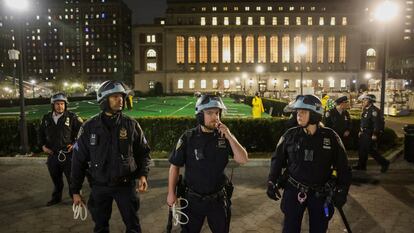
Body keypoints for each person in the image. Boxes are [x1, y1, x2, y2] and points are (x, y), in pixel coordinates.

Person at [71, 80, 151, 232]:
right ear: (103, 100)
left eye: (121, 96)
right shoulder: (89, 127)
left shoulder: (131, 124)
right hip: (100, 186)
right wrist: (75, 191)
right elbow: (78, 161)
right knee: (100, 226)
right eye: (114, 96)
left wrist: (143, 175)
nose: (120, 100)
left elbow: (144, 153)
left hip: (126, 186)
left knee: (133, 226)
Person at [267, 94, 351, 233]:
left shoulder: (331, 137)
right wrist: (271, 181)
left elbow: (343, 167)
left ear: (314, 114)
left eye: (303, 112)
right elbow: (277, 160)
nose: (298, 115)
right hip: (294, 191)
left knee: (319, 229)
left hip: (321, 194)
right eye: (298, 112)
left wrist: (342, 190)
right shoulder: (290, 135)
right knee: (289, 229)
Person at [167, 94, 248, 233]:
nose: (215, 117)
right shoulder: (188, 137)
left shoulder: (224, 137)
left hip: (218, 200)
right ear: (199, 115)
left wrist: (229, 135)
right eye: (209, 113)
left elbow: (243, 159)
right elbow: (175, 166)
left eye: (217, 113)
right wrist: (171, 193)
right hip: (193, 200)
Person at [38, 92, 83, 206]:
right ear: (53, 105)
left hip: (68, 155)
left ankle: (75, 198)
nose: (60, 106)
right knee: (56, 180)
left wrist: (75, 145)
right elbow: (40, 134)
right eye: (57, 104)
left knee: (72, 179)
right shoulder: (46, 118)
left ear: (65, 105)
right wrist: (43, 146)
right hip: (53, 155)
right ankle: (56, 198)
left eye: (62, 104)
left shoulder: (72, 117)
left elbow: (82, 133)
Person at [353, 94, 390, 173]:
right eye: (363, 100)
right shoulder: (366, 109)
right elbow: (363, 122)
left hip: (369, 133)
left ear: (370, 101)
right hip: (364, 132)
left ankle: (384, 163)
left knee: (370, 150)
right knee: (362, 150)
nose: (363, 101)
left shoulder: (374, 110)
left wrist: (375, 134)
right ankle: (361, 166)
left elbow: (377, 123)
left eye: (365, 100)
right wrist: (361, 130)